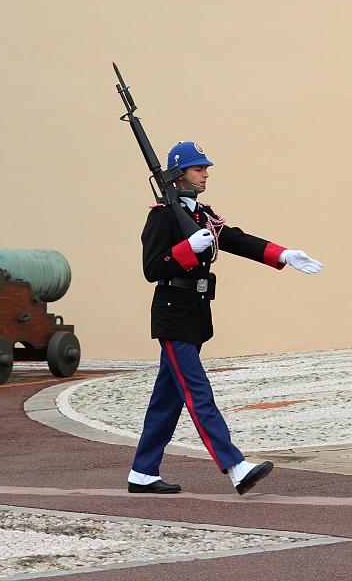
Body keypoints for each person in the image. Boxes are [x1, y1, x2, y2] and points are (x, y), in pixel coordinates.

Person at [127, 140, 324, 495]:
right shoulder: (162, 216)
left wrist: (283, 255)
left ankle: (143, 472)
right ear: (178, 174)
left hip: (195, 314)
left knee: (167, 400)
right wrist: (188, 249)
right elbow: (152, 268)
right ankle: (235, 466)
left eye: (206, 168)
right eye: (198, 168)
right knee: (198, 392)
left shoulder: (200, 214)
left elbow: (234, 239)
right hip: (173, 316)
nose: (205, 174)